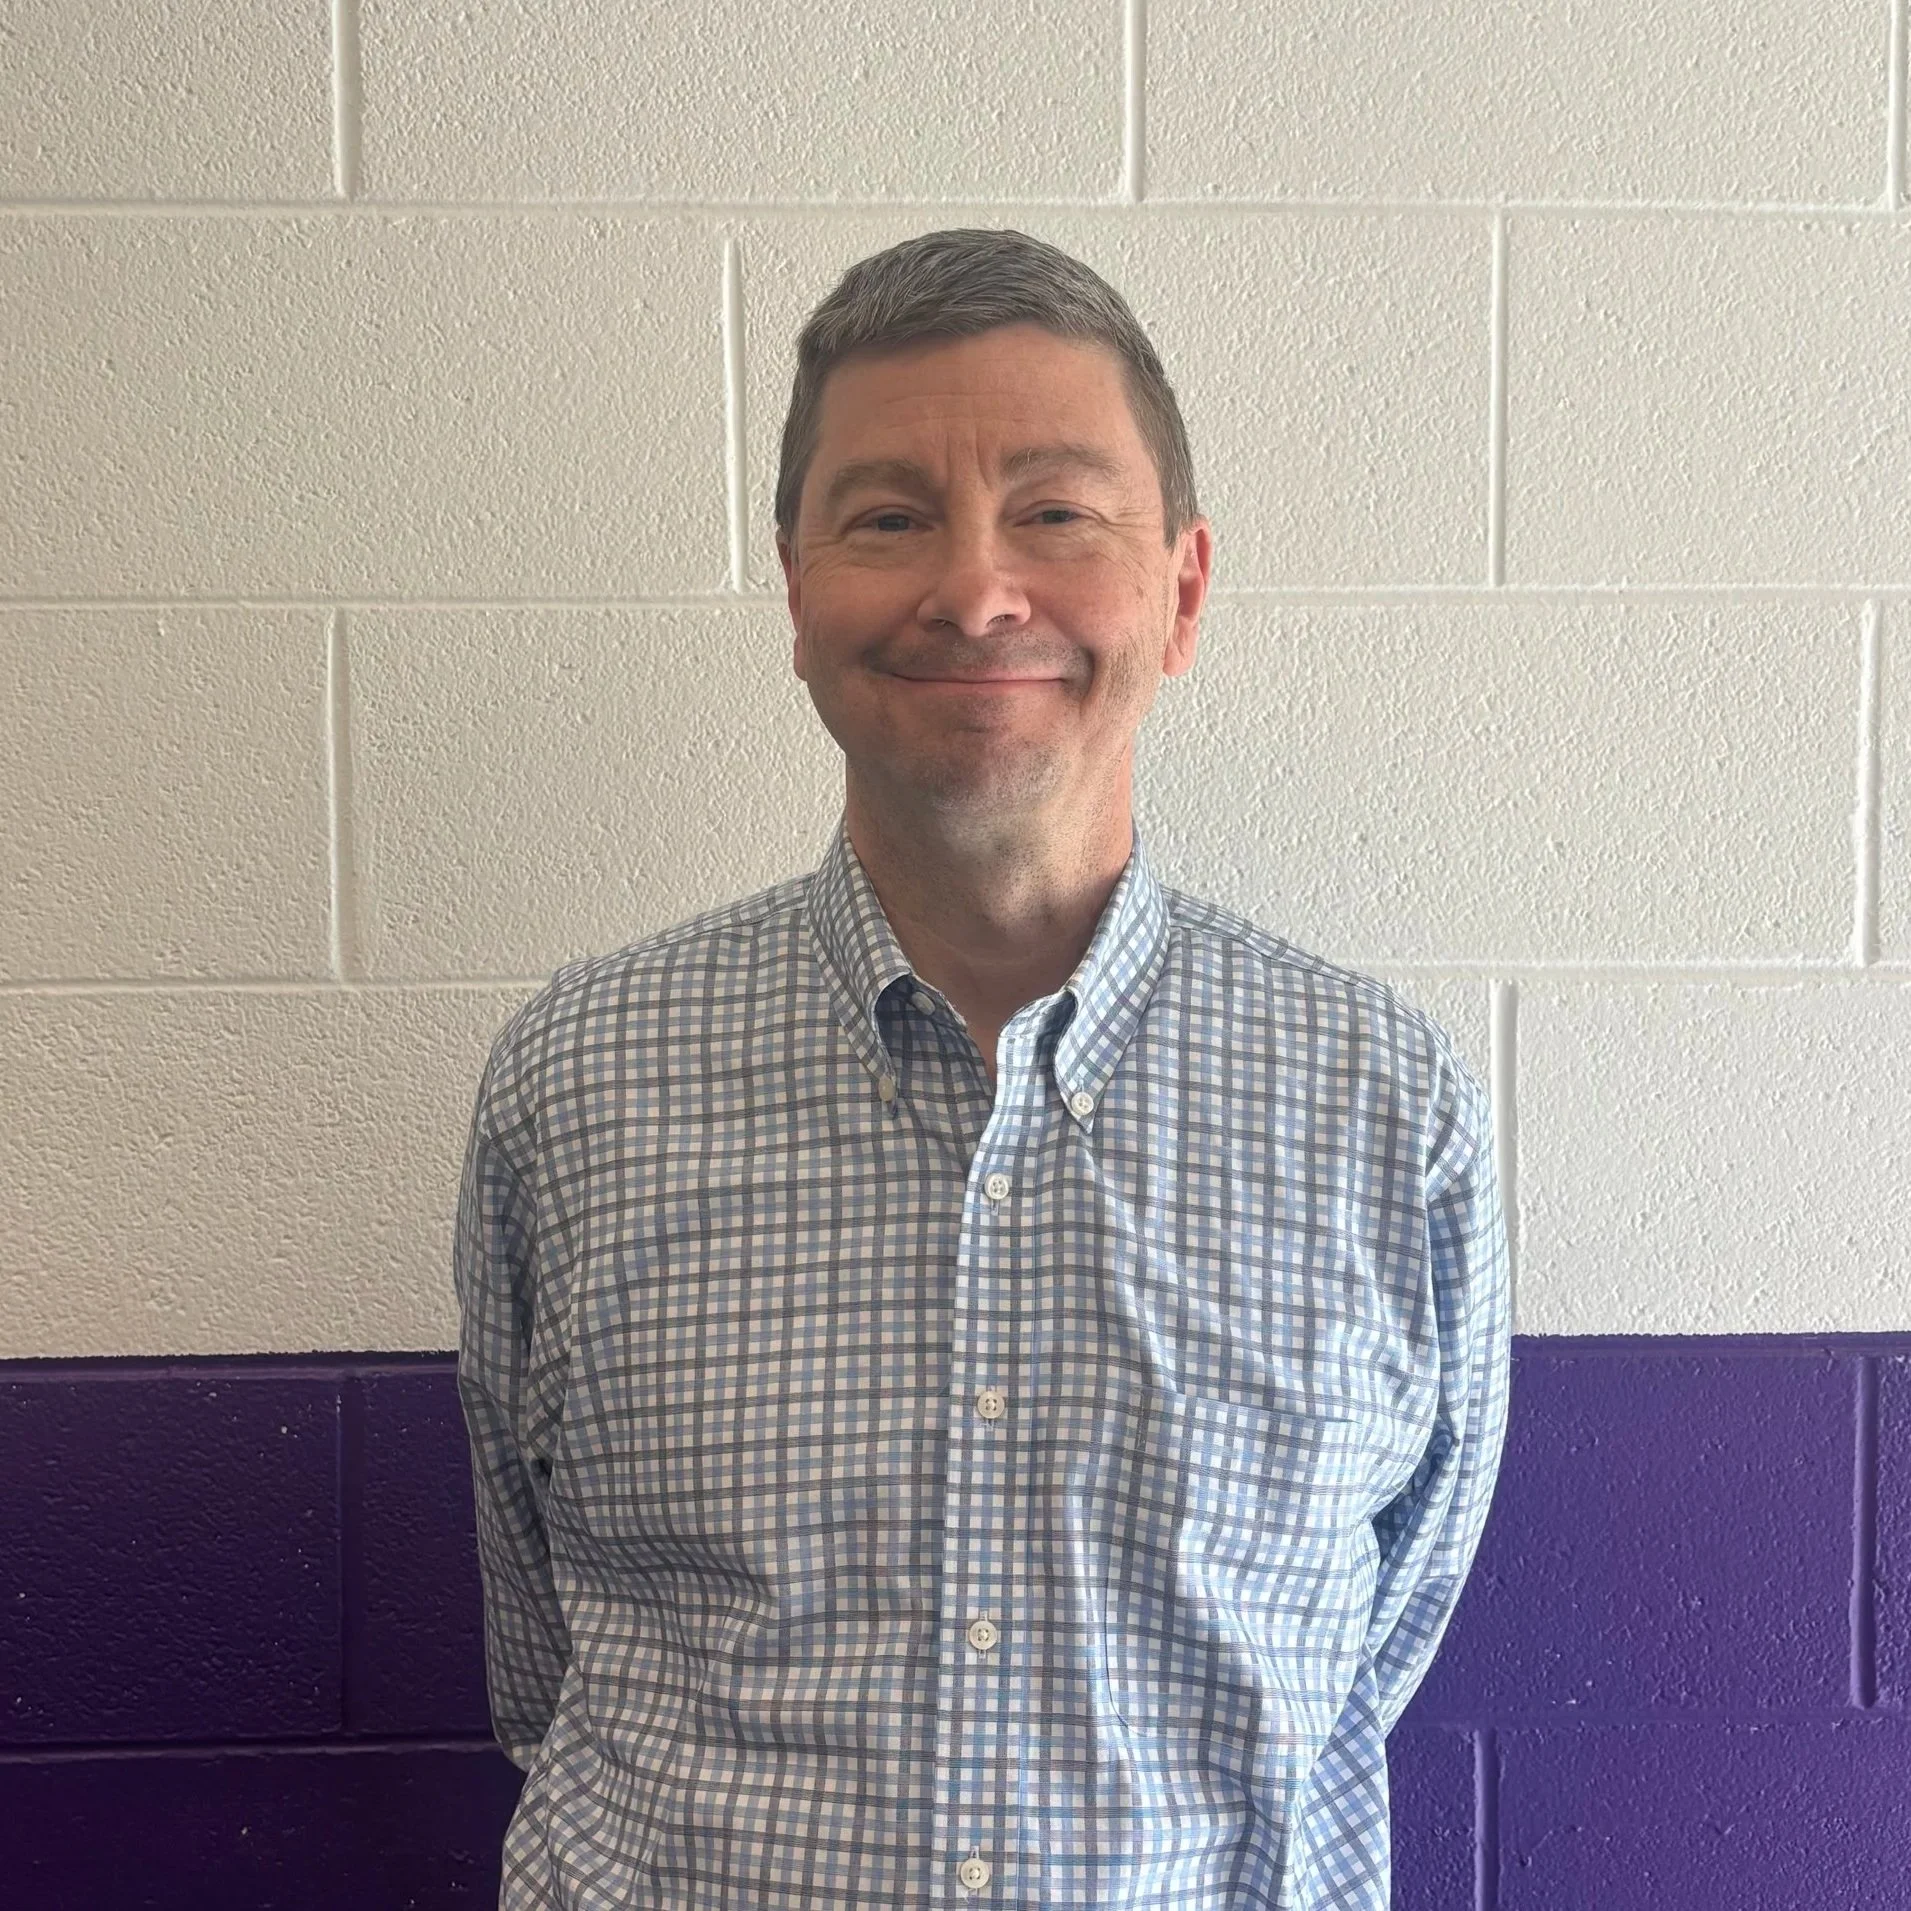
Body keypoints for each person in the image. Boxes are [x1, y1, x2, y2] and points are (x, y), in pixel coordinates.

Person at [454, 226, 1510, 1911]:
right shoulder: (575, 1083)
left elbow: (1366, 1661)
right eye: (887, 517)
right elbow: (547, 1665)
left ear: (1179, 589)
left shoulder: (1383, 1105)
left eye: (1054, 514)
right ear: (795, 590)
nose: (973, 587)